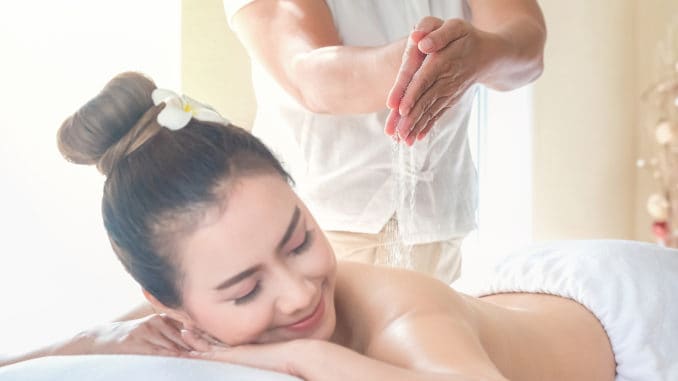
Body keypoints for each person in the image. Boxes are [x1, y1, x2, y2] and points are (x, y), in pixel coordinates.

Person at [4, 73, 677, 381]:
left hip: (631, 315)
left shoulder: (398, 316)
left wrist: (310, 357)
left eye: (297, 239)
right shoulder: (184, 315)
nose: (297, 294)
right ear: (170, 304)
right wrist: (102, 334)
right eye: (244, 291)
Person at [223, 0, 547, 284]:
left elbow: (528, 48)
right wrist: (420, 59)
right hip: (323, 229)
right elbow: (310, 76)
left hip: (439, 226)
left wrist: (481, 54)